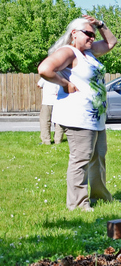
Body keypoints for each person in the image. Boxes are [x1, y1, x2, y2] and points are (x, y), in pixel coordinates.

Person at [38, 15, 116, 212]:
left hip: (95, 117)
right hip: (78, 116)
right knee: (80, 160)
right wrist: (66, 84)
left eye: (93, 34)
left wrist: (100, 25)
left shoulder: (88, 53)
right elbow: (44, 69)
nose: (92, 37)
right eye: (88, 33)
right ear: (74, 33)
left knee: (98, 157)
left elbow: (111, 42)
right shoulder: (68, 52)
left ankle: (101, 196)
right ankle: (78, 204)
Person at [37, 77, 65, 145]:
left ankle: (46, 140)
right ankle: (58, 140)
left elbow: (39, 85)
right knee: (59, 121)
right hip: (59, 101)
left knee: (45, 121)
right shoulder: (62, 76)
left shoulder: (46, 75)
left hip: (47, 101)